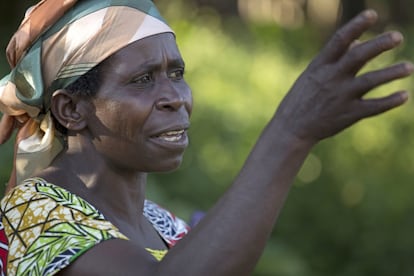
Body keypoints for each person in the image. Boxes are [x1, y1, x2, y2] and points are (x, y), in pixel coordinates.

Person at [0, 0, 412, 275]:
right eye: (142, 80)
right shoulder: (29, 215)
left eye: (177, 75)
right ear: (71, 109)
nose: (176, 98)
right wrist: (290, 131)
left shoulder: (160, 223)